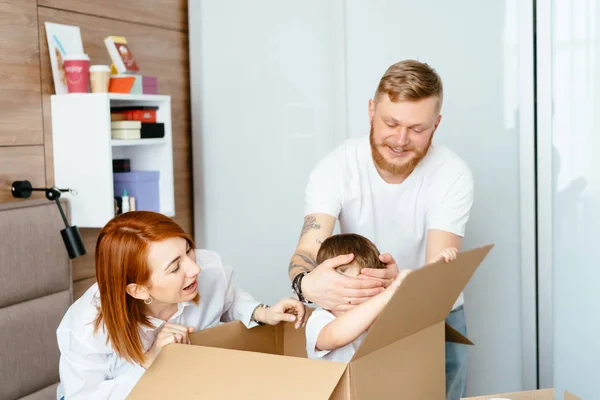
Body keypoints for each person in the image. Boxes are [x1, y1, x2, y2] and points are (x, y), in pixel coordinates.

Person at [288, 60, 473, 400]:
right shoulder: (336, 168)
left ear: (437, 124)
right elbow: (307, 251)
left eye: (417, 129)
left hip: (434, 313)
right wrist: (307, 284)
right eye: (391, 123)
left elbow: (435, 278)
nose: (401, 140)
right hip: (358, 310)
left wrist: (404, 285)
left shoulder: (452, 174)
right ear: (371, 111)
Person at [57, 211, 306, 399]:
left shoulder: (207, 271)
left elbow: (230, 299)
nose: (194, 268)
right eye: (175, 267)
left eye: (188, 250)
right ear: (138, 290)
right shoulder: (86, 326)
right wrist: (149, 360)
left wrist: (262, 312)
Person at [305, 233, 456, 362]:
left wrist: (429, 271)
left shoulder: (376, 318)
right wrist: (388, 294)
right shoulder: (320, 319)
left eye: (370, 287)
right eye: (356, 288)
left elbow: (413, 318)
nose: (364, 295)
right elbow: (335, 337)